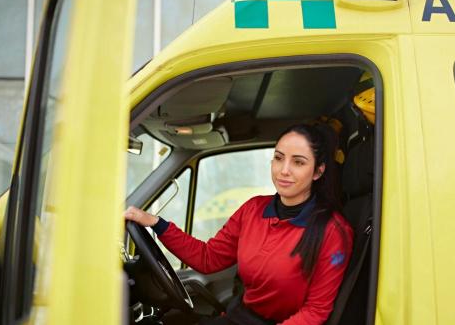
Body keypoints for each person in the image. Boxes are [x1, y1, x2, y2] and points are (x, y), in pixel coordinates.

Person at [125, 124, 353, 325]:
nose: (284, 170)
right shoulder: (253, 209)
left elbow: (315, 312)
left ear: (318, 171)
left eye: (298, 162)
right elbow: (208, 257)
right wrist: (156, 223)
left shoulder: (333, 231)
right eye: (279, 157)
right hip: (238, 316)